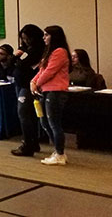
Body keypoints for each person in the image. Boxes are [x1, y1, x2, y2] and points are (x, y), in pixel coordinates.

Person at [31, 25, 71, 165]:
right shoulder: (49, 52)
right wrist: (33, 82)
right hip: (45, 91)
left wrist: (38, 83)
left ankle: (60, 153)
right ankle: (57, 150)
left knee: (54, 123)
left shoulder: (60, 52)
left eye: (47, 35)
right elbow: (42, 70)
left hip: (56, 91)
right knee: (44, 122)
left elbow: (50, 71)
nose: (44, 38)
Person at [11, 24, 45, 157]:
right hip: (20, 83)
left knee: (24, 113)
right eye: (23, 39)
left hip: (29, 85)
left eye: (27, 39)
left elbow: (21, 63)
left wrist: (19, 57)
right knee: (28, 115)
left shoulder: (38, 50)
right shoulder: (25, 49)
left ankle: (27, 144)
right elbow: (13, 61)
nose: (25, 41)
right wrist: (17, 56)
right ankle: (33, 142)